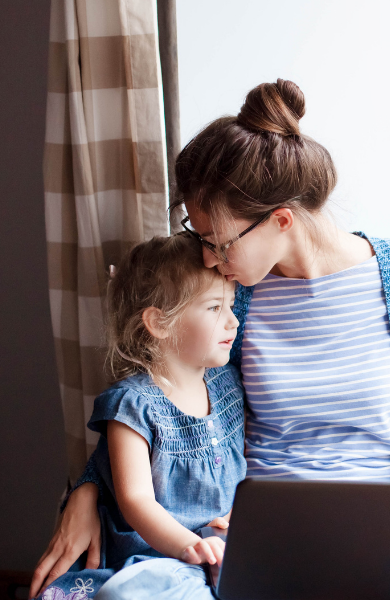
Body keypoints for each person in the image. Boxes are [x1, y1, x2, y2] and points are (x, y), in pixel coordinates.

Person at [33, 79, 390, 600]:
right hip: (267, 539)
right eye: (197, 238)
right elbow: (165, 399)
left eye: (217, 240)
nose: (206, 257)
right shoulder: (228, 297)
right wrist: (89, 486)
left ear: (280, 220)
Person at [30, 234, 246, 599]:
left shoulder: (228, 384)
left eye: (232, 305)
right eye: (214, 308)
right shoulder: (132, 404)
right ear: (160, 324)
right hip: (157, 556)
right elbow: (137, 501)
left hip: (220, 547)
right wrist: (188, 547)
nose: (232, 322)